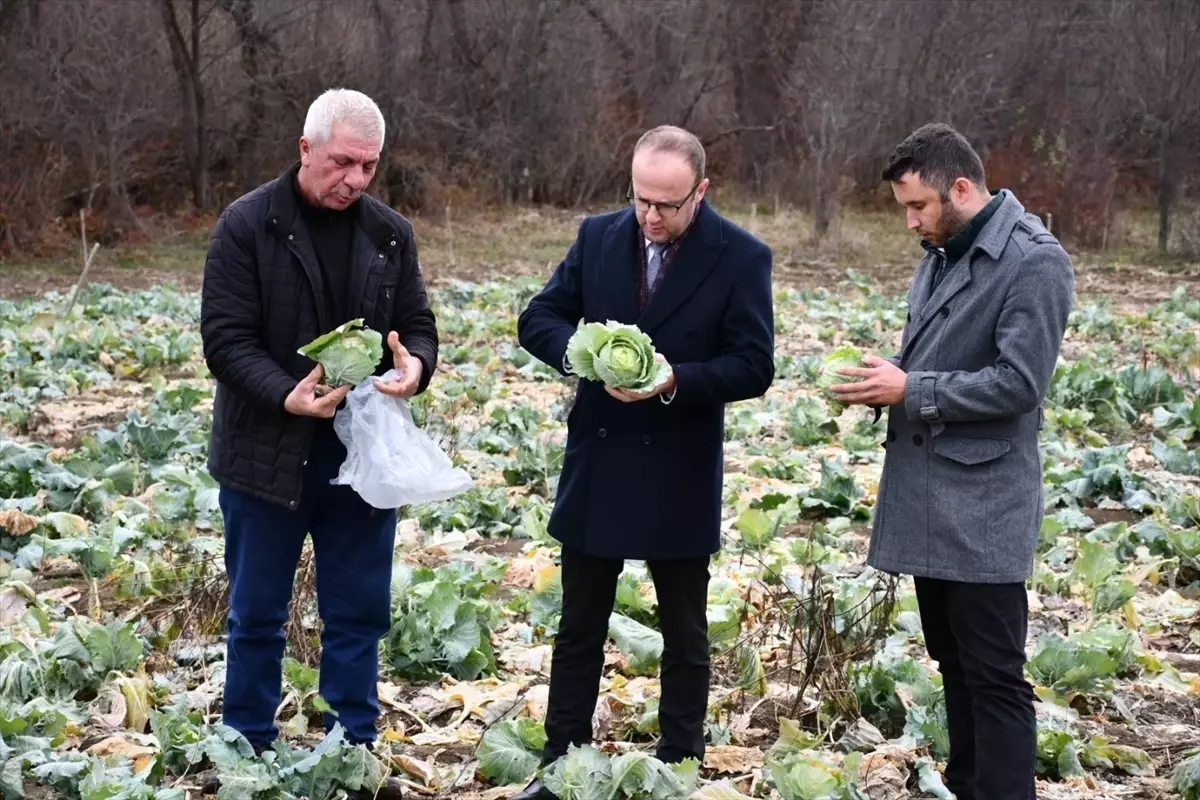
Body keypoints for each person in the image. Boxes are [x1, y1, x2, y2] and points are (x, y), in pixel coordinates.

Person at [513, 125, 775, 800]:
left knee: (684, 631)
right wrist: (585, 355)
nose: (651, 217)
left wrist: (674, 378)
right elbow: (538, 318)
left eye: (667, 204)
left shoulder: (742, 256)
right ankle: (561, 765)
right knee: (579, 625)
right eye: (641, 200)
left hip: (679, 463)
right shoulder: (598, 236)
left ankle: (679, 764)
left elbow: (754, 364)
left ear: (701, 192)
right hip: (600, 457)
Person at [200, 88, 439, 799]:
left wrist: (416, 368)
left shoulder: (391, 233)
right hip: (265, 454)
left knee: (357, 612)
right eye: (342, 163)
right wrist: (286, 393)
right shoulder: (247, 225)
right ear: (305, 150)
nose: (356, 179)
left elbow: (418, 324)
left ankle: (353, 752)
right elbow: (225, 339)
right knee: (257, 615)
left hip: (358, 457)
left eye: (369, 166)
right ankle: (247, 751)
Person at [829, 122, 1074, 800]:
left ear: (961, 188)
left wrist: (911, 388)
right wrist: (883, 377)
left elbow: (1020, 384)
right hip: (929, 497)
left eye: (919, 206)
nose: (911, 221)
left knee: (995, 677)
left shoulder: (1034, 261)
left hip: (985, 506)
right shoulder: (940, 250)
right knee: (954, 665)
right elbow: (936, 355)